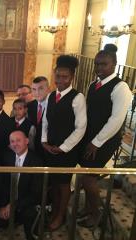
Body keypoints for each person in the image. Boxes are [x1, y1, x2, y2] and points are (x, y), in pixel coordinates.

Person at [78, 44, 132, 227]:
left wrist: (96, 143)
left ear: (114, 65)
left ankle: (97, 212)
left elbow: (116, 120)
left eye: (104, 64)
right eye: (97, 64)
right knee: (85, 174)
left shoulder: (121, 87)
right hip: (90, 137)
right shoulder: (94, 84)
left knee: (88, 177)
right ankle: (88, 208)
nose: (99, 68)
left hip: (105, 141)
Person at [41, 55, 87, 231]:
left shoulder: (77, 98)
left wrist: (63, 147)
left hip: (66, 151)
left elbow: (80, 128)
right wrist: (44, 141)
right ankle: (53, 211)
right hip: (50, 148)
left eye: (64, 77)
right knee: (53, 181)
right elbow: (46, 121)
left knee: (63, 183)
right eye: (58, 76)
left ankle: (60, 215)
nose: (60, 80)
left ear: (72, 77)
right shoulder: (52, 96)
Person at [0, 130, 43, 240]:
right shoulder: (6, 157)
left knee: (30, 217)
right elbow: (3, 185)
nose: (15, 144)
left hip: (27, 202)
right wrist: (3, 205)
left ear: (27, 141)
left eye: (18, 140)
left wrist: (14, 205)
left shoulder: (36, 161)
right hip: (9, 201)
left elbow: (36, 193)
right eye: (12, 141)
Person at [28, 76, 50, 156]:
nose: (37, 93)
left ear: (48, 89)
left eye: (40, 88)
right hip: (34, 150)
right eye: (34, 89)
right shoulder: (30, 106)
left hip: (50, 150)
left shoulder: (54, 105)